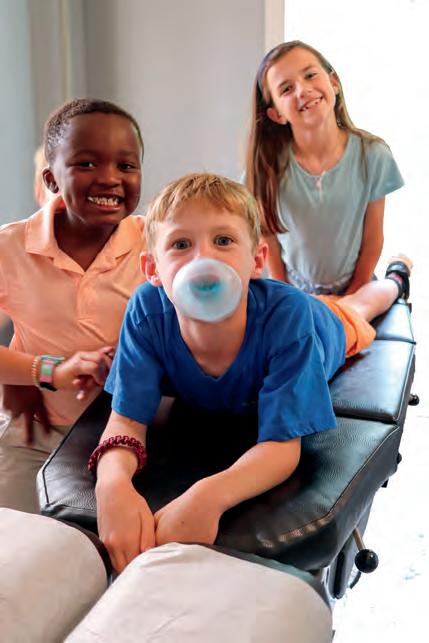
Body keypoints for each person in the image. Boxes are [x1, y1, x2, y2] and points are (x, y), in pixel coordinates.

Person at [91, 173, 412, 573]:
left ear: (257, 261)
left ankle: (397, 278)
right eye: (181, 244)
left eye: (223, 240)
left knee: (359, 308)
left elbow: (282, 447)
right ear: (152, 269)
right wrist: (112, 485)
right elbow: (126, 420)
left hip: (324, 324)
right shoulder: (146, 312)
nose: (203, 260)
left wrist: (210, 496)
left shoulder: (289, 318)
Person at [0, 97, 145, 513]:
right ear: (51, 179)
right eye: (87, 164)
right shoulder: (10, 247)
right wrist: (49, 371)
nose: (110, 178)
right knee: (17, 540)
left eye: (126, 165)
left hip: (129, 435)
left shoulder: (157, 243)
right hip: (35, 435)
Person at [245, 40, 404, 295]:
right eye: (287, 89)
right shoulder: (266, 169)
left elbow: (373, 238)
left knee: (378, 299)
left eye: (310, 75)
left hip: (357, 288)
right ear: (277, 114)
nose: (303, 90)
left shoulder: (372, 155)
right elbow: (269, 239)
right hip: (296, 292)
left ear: (334, 83)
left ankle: (397, 276)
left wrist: (353, 294)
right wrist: (289, 297)